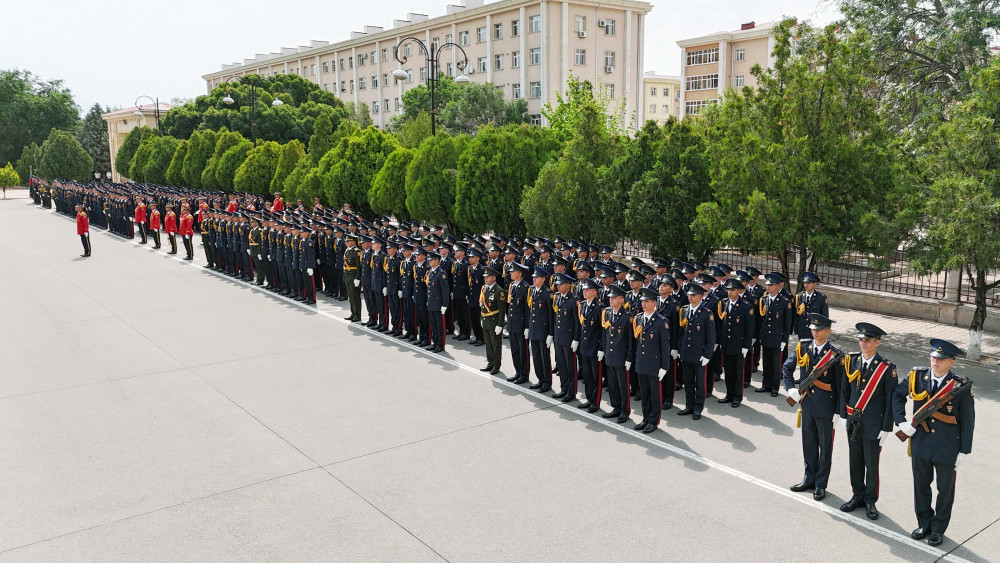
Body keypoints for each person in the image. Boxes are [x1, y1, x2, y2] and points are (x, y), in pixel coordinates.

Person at [892, 339, 975, 547]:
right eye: (933, 357)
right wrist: (902, 422)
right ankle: (924, 523)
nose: (935, 361)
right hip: (921, 442)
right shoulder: (917, 376)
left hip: (948, 446)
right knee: (921, 486)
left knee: (944, 491)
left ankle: (938, 529)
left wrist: (964, 451)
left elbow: (967, 420)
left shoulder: (960, 387)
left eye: (941, 358)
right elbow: (897, 396)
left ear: (952, 362)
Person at [839, 322, 897, 520]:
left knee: (871, 465)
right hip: (853, 421)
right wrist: (842, 415)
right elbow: (844, 390)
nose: (863, 343)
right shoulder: (851, 361)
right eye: (861, 339)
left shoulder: (886, 368)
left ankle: (870, 500)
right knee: (854, 461)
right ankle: (857, 496)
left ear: (877, 342)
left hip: (873, 424)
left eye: (867, 340)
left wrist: (886, 427)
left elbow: (890, 399)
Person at [784, 313, 845, 501]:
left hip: (826, 408)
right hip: (807, 405)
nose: (815, 332)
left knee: (825, 449)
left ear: (828, 331)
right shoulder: (803, 347)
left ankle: (820, 484)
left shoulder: (836, 356)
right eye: (813, 329)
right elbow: (787, 367)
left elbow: (841, 386)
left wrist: (838, 412)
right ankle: (808, 478)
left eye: (819, 330)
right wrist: (790, 389)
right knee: (809, 445)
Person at [631, 287, 671, 433]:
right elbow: (637, 343)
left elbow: (665, 347)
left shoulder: (661, 322)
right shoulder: (639, 318)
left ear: (655, 303)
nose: (644, 304)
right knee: (645, 394)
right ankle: (646, 418)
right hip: (642, 363)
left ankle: (654, 421)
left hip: (654, 365)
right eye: (642, 301)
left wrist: (664, 367)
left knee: (655, 395)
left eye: (647, 301)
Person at [676, 284, 716, 420]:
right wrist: (680, 349)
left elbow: (711, 337)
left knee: (700, 383)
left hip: (699, 354)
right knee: (688, 382)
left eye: (693, 295)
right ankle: (689, 405)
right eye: (689, 295)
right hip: (686, 352)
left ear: (700, 296)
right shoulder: (685, 310)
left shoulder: (706, 313)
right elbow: (681, 333)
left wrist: (707, 355)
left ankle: (698, 407)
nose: (690, 297)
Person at [717, 278, 755, 407]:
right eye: (728, 289)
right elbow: (721, 325)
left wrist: (746, 345)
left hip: (739, 344)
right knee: (728, 371)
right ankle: (729, 394)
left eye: (732, 290)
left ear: (739, 291)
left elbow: (749, 329)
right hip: (726, 343)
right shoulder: (724, 303)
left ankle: (737, 396)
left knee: (738, 371)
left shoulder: (746, 306)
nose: (729, 292)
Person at [757, 272, 793, 396]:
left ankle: (774, 387)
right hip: (766, 336)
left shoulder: (784, 301)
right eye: (768, 285)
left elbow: (787, 323)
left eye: (771, 285)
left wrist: (785, 339)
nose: (769, 287)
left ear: (778, 286)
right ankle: (765, 385)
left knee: (775, 363)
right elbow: (762, 319)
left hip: (777, 337)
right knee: (766, 362)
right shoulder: (764, 299)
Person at [577, 278, 604, 413]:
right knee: (587, 375)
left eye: (587, 290)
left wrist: (601, 348)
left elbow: (603, 330)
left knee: (595, 377)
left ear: (594, 292)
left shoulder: (599, 308)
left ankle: (595, 401)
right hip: (584, 346)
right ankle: (589, 398)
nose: (584, 291)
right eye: (584, 289)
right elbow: (581, 326)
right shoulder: (582, 305)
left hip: (595, 347)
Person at [551, 272, 580, 402]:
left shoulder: (573, 300)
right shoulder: (558, 298)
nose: (558, 286)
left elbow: (577, 322)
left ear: (568, 285)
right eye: (557, 284)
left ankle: (571, 392)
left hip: (568, 339)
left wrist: (576, 339)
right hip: (559, 337)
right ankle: (564, 388)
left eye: (561, 284)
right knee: (561, 365)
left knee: (570, 367)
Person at [527, 266, 554, 391]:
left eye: (536, 277)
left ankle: (547, 382)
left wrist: (550, 333)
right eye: (533, 277)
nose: (534, 279)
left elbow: (550, 315)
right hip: (533, 329)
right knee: (536, 356)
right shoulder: (532, 290)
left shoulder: (547, 293)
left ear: (543, 279)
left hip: (543, 331)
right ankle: (540, 379)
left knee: (544, 357)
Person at [504, 262, 531, 382]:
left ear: (519, 273)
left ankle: (524, 375)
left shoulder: (525, 288)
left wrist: (527, 327)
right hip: (512, 323)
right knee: (515, 350)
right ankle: (518, 372)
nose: (510, 273)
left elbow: (527, 309)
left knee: (523, 352)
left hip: (521, 325)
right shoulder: (512, 285)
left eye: (513, 271)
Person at [479, 266, 506, 375]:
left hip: (494, 322)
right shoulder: (484, 288)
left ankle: (496, 365)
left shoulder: (499, 291)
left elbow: (502, 310)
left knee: (496, 345)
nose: (485, 279)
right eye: (485, 277)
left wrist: (500, 324)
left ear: (493, 278)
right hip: (486, 320)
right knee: (488, 343)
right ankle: (490, 362)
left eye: (488, 277)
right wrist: (482, 318)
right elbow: (482, 307)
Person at [793, 272, 829, 341]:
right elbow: (796, 316)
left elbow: (825, 317)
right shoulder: (799, 297)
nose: (806, 285)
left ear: (814, 284)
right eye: (805, 283)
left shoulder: (821, 298)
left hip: (815, 331)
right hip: (802, 331)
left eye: (808, 283)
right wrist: (796, 331)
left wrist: (823, 332)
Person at [425, 252, 450, 353]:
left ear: (437, 261)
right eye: (429, 260)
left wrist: (444, 305)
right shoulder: (431, 272)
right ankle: (435, 343)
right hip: (431, 303)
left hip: (439, 304)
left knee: (440, 326)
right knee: (434, 325)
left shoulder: (441, 273)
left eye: (431, 260)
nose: (429, 262)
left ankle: (440, 344)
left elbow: (445, 291)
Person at [343, 234, 362, 321]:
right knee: (350, 296)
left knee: (355, 296)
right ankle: (353, 313)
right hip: (347, 276)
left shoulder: (357, 251)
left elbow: (359, 266)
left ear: (353, 242)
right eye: (346, 241)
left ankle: (357, 315)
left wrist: (358, 278)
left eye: (348, 241)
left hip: (354, 276)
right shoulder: (347, 250)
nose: (346, 243)